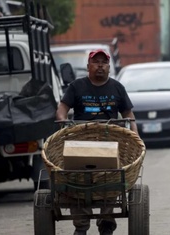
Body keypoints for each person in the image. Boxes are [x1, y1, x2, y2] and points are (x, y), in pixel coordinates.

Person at [56, 49, 138, 235]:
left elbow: (128, 115)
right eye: (96, 62)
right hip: (80, 141)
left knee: (113, 178)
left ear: (109, 67)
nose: (100, 65)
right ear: (88, 66)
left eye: (103, 62)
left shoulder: (117, 87)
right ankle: (81, 226)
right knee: (76, 179)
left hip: (110, 141)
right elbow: (62, 109)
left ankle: (106, 222)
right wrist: (62, 121)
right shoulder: (76, 86)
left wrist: (136, 135)